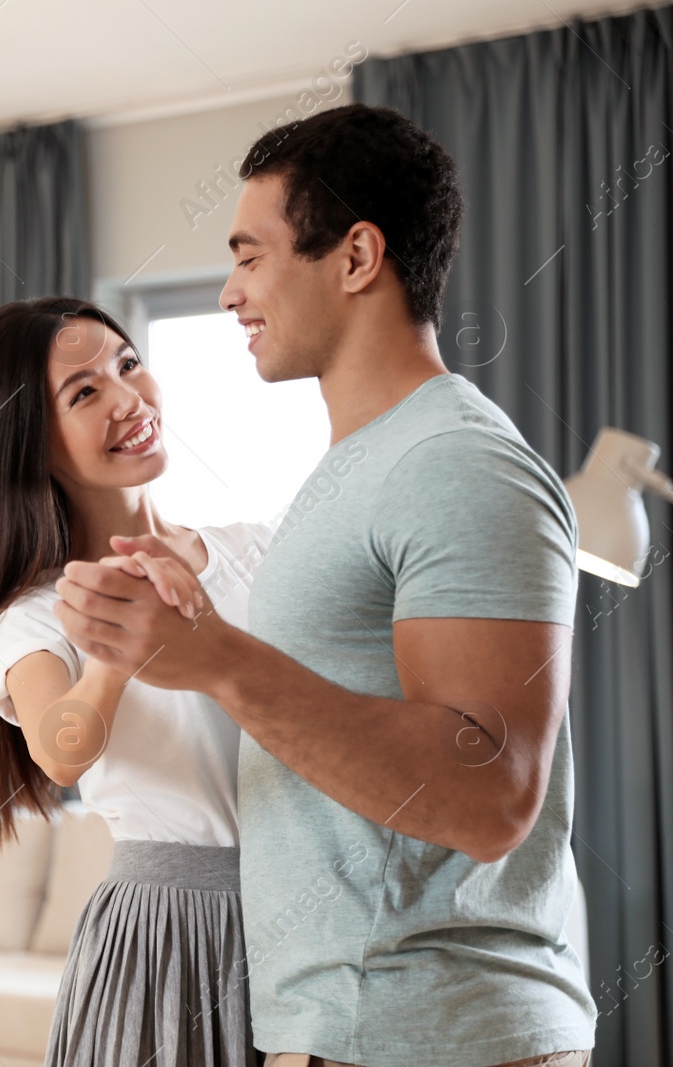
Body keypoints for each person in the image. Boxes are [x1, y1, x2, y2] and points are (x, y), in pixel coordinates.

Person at [54, 103, 596, 1066]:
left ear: (355, 258)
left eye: (250, 256)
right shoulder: (357, 469)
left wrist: (217, 661)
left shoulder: (457, 462)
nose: (229, 293)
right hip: (347, 1029)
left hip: (436, 1031)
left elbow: (493, 795)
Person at [0, 295, 273, 1067]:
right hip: (167, 935)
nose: (128, 399)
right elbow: (59, 752)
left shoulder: (257, 548)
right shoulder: (37, 611)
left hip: (302, 914)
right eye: (84, 392)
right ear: (35, 444)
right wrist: (120, 641)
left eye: (127, 364)